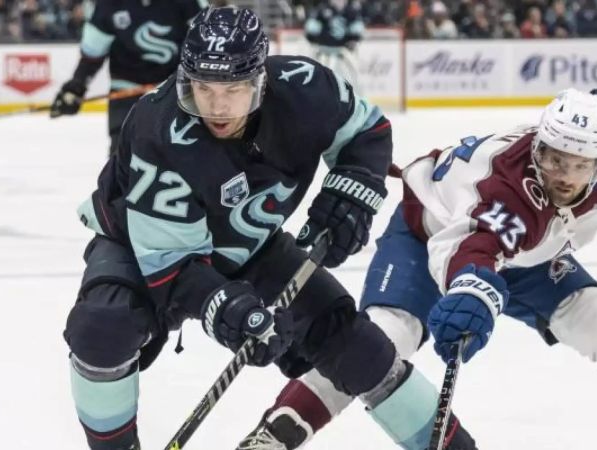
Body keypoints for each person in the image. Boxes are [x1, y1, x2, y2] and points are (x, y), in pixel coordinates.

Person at [240, 89, 597, 450]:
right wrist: (471, 296)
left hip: (528, 255)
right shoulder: (512, 190)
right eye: (551, 158)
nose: (561, 174)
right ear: (537, 146)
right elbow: (475, 250)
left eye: (577, 165)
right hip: (428, 235)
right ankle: (279, 432)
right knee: (380, 342)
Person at [64, 6, 409, 450]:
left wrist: (354, 192)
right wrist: (225, 308)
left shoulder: (305, 88)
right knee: (103, 325)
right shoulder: (158, 130)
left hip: (252, 246)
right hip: (138, 245)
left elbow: (366, 132)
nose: (217, 105)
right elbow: (175, 268)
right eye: (203, 89)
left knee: (360, 347)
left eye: (233, 89)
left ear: (259, 81)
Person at [50, 0, 208, 152]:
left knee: (184, 156)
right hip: (125, 95)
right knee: (122, 155)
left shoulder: (189, 2)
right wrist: (76, 86)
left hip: (174, 94)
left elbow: (206, 44)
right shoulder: (110, 4)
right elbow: (92, 55)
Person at [304, 0, 365, 90]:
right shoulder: (322, 9)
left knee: (354, 77)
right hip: (324, 51)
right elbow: (310, 29)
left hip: (343, 51)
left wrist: (354, 39)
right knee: (320, 77)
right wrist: (316, 38)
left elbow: (358, 31)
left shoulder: (351, 11)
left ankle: (358, 99)